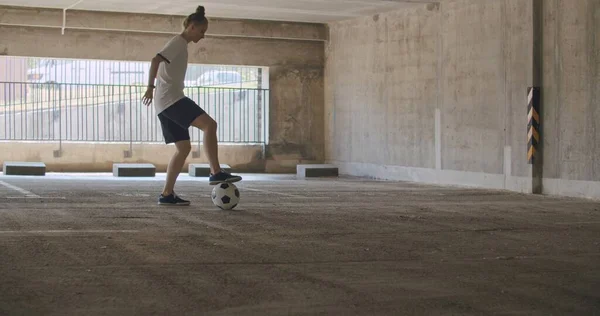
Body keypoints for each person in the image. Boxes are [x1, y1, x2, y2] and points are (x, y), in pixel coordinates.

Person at [142, 5, 241, 206]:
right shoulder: (178, 42)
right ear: (192, 27)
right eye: (202, 31)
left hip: (164, 104)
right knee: (210, 125)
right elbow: (155, 60)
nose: (203, 36)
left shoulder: (180, 45)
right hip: (172, 99)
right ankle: (215, 172)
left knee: (183, 148)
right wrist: (150, 87)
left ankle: (167, 194)